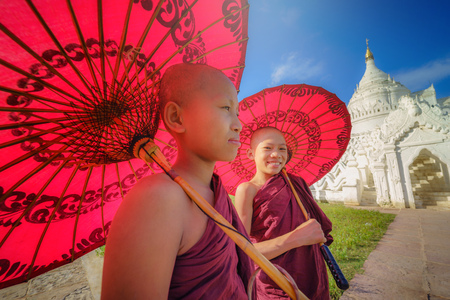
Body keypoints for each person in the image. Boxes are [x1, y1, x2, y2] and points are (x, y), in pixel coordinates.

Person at [101, 63, 255, 299]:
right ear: (176, 117)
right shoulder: (158, 198)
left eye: (237, 112)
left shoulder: (215, 191)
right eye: (225, 107)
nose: (238, 124)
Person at [235, 126, 333, 300]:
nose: (276, 154)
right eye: (267, 148)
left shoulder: (296, 184)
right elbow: (242, 251)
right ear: (251, 154)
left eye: (282, 149)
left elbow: (316, 229)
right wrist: (297, 237)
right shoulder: (247, 190)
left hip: (312, 274)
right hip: (275, 281)